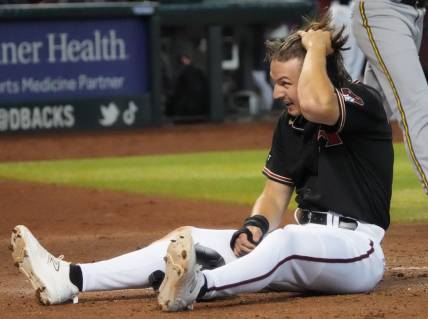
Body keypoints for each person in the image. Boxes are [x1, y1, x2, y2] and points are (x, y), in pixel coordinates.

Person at [10, 14, 393, 312]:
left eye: (285, 83)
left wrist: (317, 50)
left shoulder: (361, 101)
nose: (276, 93)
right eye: (274, 81)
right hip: (304, 248)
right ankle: (74, 277)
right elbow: (275, 196)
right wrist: (255, 226)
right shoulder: (289, 124)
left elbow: (317, 103)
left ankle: (199, 286)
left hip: (355, 248)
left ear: (315, 72)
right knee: (190, 237)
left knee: (288, 240)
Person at [352, 0, 428, 194]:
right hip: (384, 9)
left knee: (371, 112)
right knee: (418, 107)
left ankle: (338, 192)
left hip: (416, 12)